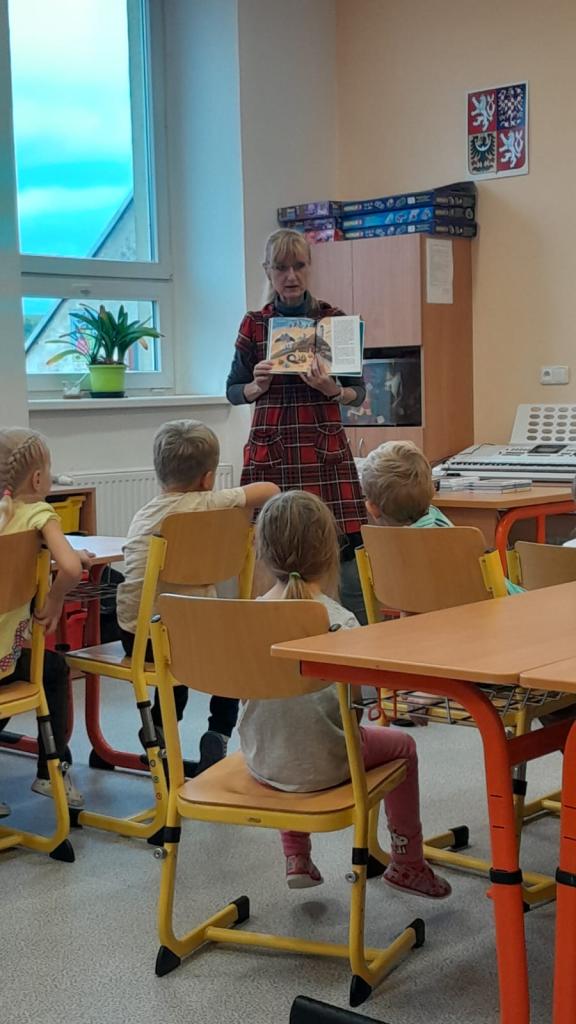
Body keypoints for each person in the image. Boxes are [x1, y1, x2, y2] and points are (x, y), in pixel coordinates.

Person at [238, 489, 451, 898]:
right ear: (329, 553)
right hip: (331, 762)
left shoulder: (245, 618)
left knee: (286, 726)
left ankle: (296, 855)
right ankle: (407, 863)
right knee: (403, 746)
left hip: (262, 760)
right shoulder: (341, 621)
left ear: (261, 551)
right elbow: (359, 705)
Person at [116, 419, 279, 773]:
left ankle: (159, 728)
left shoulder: (145, 515)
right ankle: (218, 732)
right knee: (232, 653)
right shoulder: (211, 503)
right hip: (196, 633)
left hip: (139, 636)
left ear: (159, 473)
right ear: (207, 478)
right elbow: (270, 489)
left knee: (171, 654)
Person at [226, 228, 367, 620]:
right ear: (267, 271)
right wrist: (256, 386)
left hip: (323, 452)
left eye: (299, 266)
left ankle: (355, 630)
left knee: (345, 543)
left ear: (310, 267)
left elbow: (358, 393)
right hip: (272, 451)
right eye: (281, 268)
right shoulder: (254, 324)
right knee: (272, 541)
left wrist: (331, 389)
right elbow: (233, 391)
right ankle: (271, 628)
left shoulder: (333, 321)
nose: (291, 276)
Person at [0, 427, 90, 813]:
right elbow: (70, 568)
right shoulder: (38, 513)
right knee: (51, 669)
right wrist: (54, 600)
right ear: (37, 479)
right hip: (2, 662)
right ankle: (50, 770)